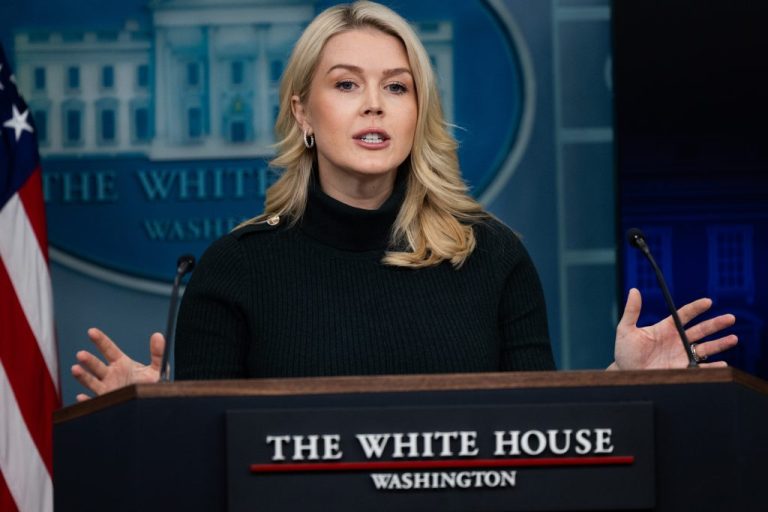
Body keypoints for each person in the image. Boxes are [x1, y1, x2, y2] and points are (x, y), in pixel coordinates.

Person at [71, 1, 737, 401]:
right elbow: (205, 462)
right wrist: (157, 417)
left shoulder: (492, 257)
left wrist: (618, 382)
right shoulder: (232, 269)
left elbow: (535, 435)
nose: (373, 104)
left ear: (420, 111)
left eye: (396, 87)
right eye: (346, 84)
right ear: (302, 113)